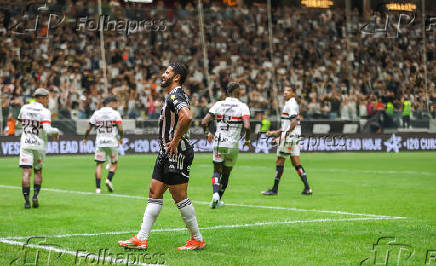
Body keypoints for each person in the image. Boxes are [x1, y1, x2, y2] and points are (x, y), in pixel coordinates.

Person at [118, 62, 205, 250]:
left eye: (167, 72)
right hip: (166, 152)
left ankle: (197, 239)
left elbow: (187, 116)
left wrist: (175, 140)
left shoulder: (177, 94)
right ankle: (141, 238)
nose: (163, 75)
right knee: (154, 191)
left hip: (177, 151)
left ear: (177, 77)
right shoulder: (172, 95)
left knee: (179, 196)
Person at [201, 82, 251, 209]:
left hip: (219, 141)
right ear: (238, 91)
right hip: (232, 144)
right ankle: (218, 198)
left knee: (217, 171)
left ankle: (215, 195)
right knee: (227, 172)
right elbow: (247, 126)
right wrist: (248, 140)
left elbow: (204, 121)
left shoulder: (218, 104)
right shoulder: (242, 106)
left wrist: (208, 133)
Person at [261, 86, 312, 196]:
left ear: (293, 93)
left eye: (288, 91)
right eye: (284, 90)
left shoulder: (291, 105)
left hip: (289, 138)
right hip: (295, 137)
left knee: (280, 161)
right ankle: (307, 188)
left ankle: (274, 190)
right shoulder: (291, 104)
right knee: (296, 162)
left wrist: (282, 137)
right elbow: (289, 124)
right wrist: (276, 132)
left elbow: (293, 123)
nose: (285, 92)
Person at [18, 88, 60, 209]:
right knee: (38, 171)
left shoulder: (24, 108)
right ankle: (35, 196)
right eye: (47, 98)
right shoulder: (44, 111)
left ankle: (26, 201)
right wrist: (56, 131)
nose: (47, 100)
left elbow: (18, 124)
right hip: (38, 144)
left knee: (26, 172)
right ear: (42, 97)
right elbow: (48, 130)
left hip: (26, 142)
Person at [83, 96, 123, 194]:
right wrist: (121, 138)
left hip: (100, 142)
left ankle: (98, 189)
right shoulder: (115, 114)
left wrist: (85, 138)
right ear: (110, 103)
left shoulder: (96, 113)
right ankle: (108, 180)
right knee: (114, 163)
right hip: (112, 142)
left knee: (99, 164)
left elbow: (88, 128)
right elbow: (120, 128)